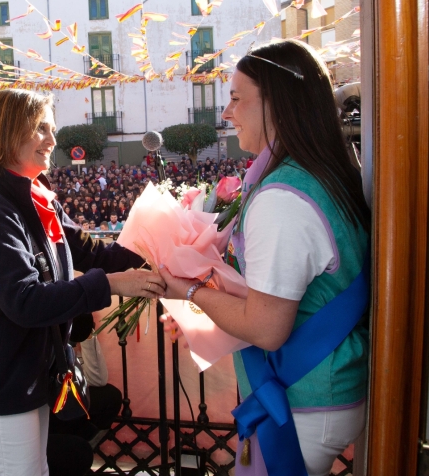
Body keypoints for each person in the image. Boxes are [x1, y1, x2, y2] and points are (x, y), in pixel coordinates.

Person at [159, 40, 370, 476]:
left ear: (277, 104)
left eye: (237, 98)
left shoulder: (281, 199)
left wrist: (190, 290)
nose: (226, 113)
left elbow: (266, 328)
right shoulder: (316, 174)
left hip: (305, 399)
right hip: (318, 388)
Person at [0, 89, 166, 476]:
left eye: (52, 129)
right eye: (41, 128)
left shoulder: (37, 198)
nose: (52, 140)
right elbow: (25, 301)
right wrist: (112, 284)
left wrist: (160, 239)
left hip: (27, 376)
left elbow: (93, 254)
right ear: (7, 133)